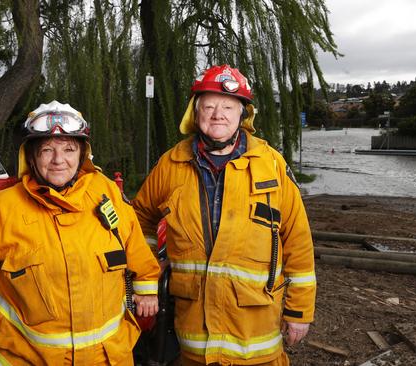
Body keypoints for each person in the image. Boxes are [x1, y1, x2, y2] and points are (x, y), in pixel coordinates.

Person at [133, 65, 316, 366]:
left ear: (243, 114)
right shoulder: (171, 164)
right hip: (193, 337)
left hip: (256, 335)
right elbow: (139, 219)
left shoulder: (270, 164)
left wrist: (299, 312)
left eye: (228, 106)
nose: (218, 114)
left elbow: (297, 240)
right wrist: (151, 266)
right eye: (209, 106)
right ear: (196, 112)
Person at [0, 100, 160, 365]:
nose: (58, 160)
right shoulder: (2, 209)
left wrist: (147, 288)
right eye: (47, 150)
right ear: (31, 156)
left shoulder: (106, 192)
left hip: (107, 357)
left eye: (68, 149)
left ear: (82, 154)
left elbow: (135, 245)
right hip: (27, 359)